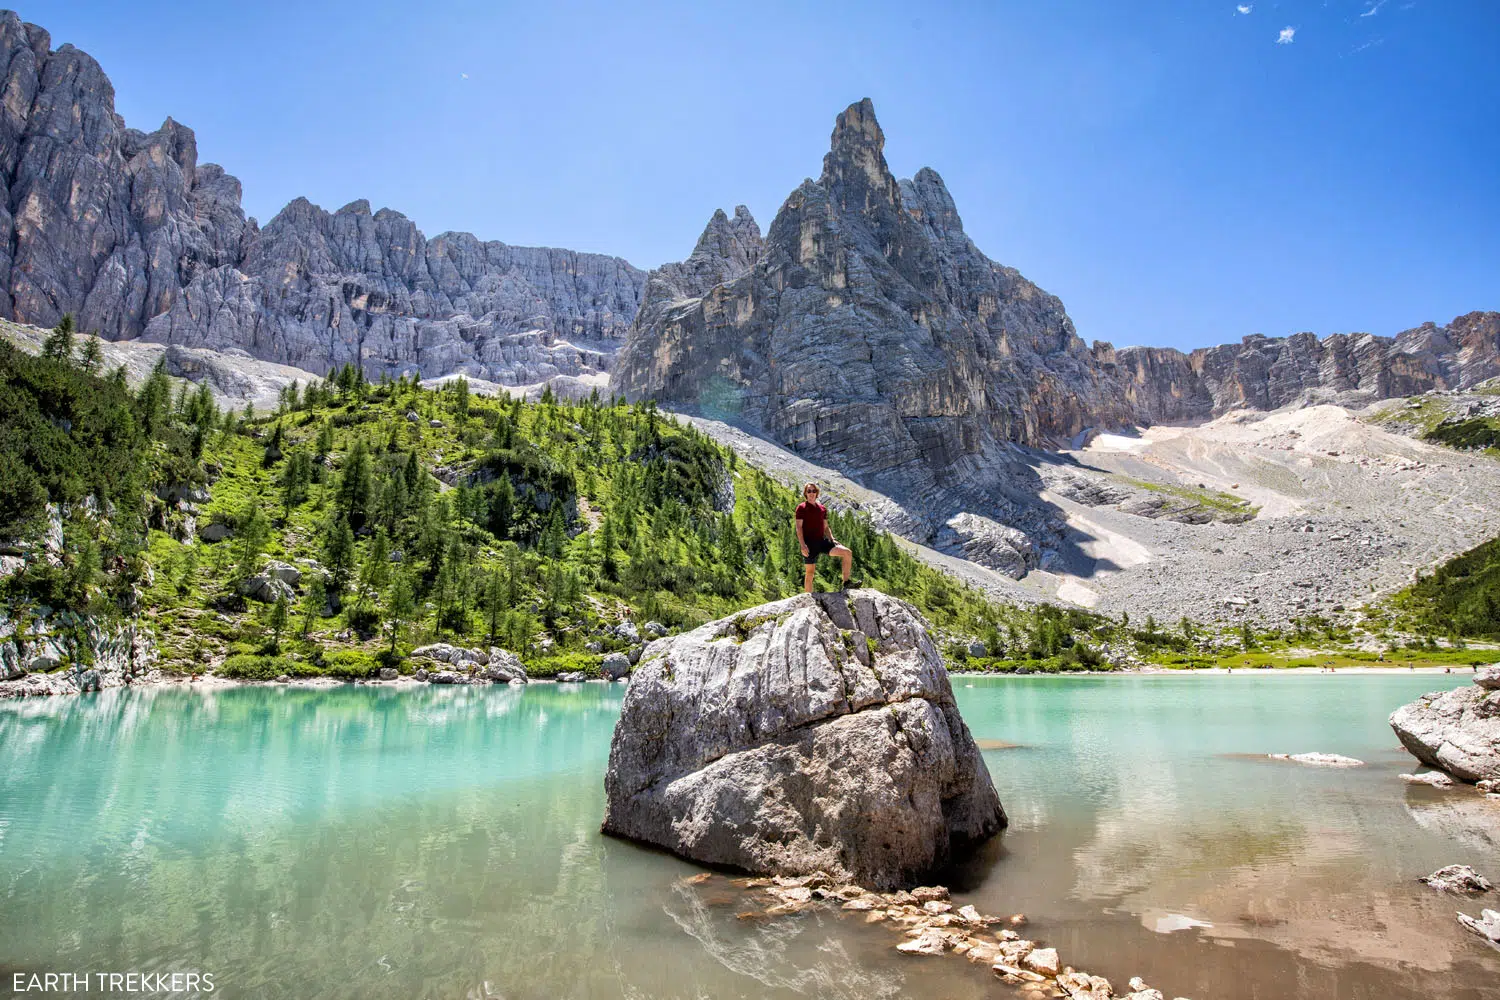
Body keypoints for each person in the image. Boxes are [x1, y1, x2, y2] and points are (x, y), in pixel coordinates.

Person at [795, 483, 858, 593]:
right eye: (809, 491)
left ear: (817, 493)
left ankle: (846, 583)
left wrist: (832, 539)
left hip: (822, 542)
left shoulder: (822, 509)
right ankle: (808, 598)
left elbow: (826, 527)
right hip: (809, 545)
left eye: (813, 491)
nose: (811, 493)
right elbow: (799, 528)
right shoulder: (801, 508)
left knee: (847, 552)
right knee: (810, 573)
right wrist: (802, 545)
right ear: (805, 493)